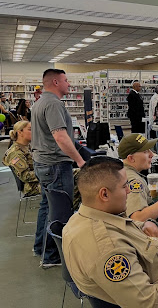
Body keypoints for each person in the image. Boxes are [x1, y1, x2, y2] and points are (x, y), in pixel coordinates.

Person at [62, 156, 158, 307]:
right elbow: (148, 303)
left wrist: (143, 224)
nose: (128, 191)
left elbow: (119, 226)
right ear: (104, 194)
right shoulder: (110, 249)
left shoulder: (78, 220)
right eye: (124, 186)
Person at [32, 68, 86, 269]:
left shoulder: (40, 103)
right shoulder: (53, 104)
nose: (68, 84)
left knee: (47, 207)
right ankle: (52, 256)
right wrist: (80, 161)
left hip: (43, 163)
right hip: (55, 164)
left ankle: (41, 247)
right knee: (61, 212)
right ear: (55, 82)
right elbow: (60, 136)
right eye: (65, 80)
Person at [119, 133, 158, 221]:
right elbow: (137, 218)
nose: (152, 154)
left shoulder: (123, 171)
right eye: (145, 151)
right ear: (131, 158)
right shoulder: (134, 180)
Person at [2, 121, 40, 196]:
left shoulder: (26, 146)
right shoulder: (15, 153)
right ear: (20, 132)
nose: (34, 132)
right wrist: (46, 173)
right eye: (30, 129)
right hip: (32, 186)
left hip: (38, 179)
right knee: (60, 183)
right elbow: (25, 176)